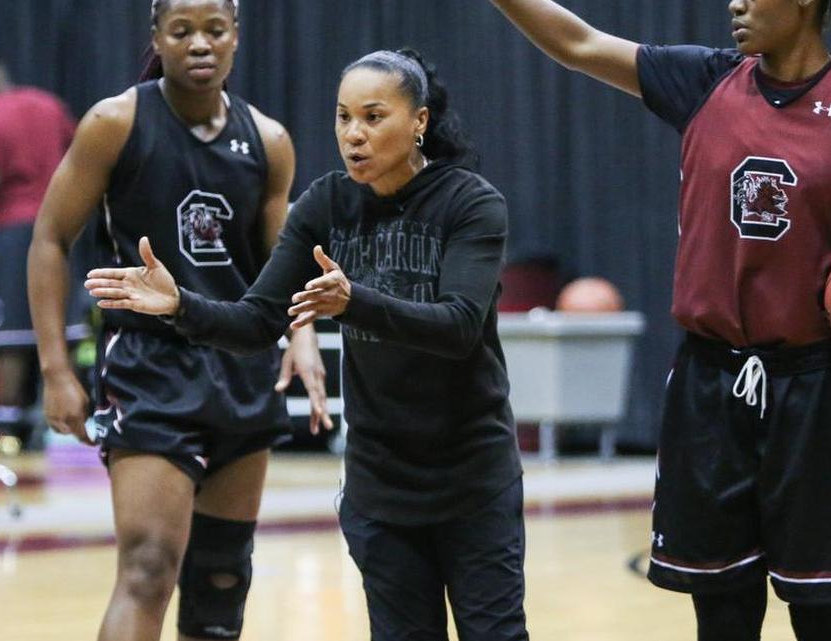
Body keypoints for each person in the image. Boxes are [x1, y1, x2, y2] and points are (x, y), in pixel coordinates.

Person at [485, 0, 831, 640]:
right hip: (709, 387)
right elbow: (577, 42)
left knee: (825, 619)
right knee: (723, 618)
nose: (733, 3)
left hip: (820, 391)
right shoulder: (705, 82)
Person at [85, 48, 530, 641]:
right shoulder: (326, 204)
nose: (355, 135)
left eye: (374, 117)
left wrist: (356, 302)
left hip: (472, 478)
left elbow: (458, 326)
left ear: (418, 121)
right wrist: (180, 305)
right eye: (343, 117)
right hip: (380, 485)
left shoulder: (470, 203)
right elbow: (255, 322)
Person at [27, 1, 331, 640]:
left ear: (236, 38)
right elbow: (50, 238)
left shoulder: (269, 141)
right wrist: (56, 370)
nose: (200, 44)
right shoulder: (115, 123)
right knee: (146, 567)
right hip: (149, 368)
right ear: (157, 39)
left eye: (215, 30)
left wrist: (300, 336)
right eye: (182, 30)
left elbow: (283, 264)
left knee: (222, 581)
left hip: (240, 370)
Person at [0, 53, 83, 446]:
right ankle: (65, 428)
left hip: (13, 231)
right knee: (64, 325)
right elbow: (83, 154)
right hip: (62, 225)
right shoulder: (48, 103)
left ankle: (7, 431)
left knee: (11, 331)